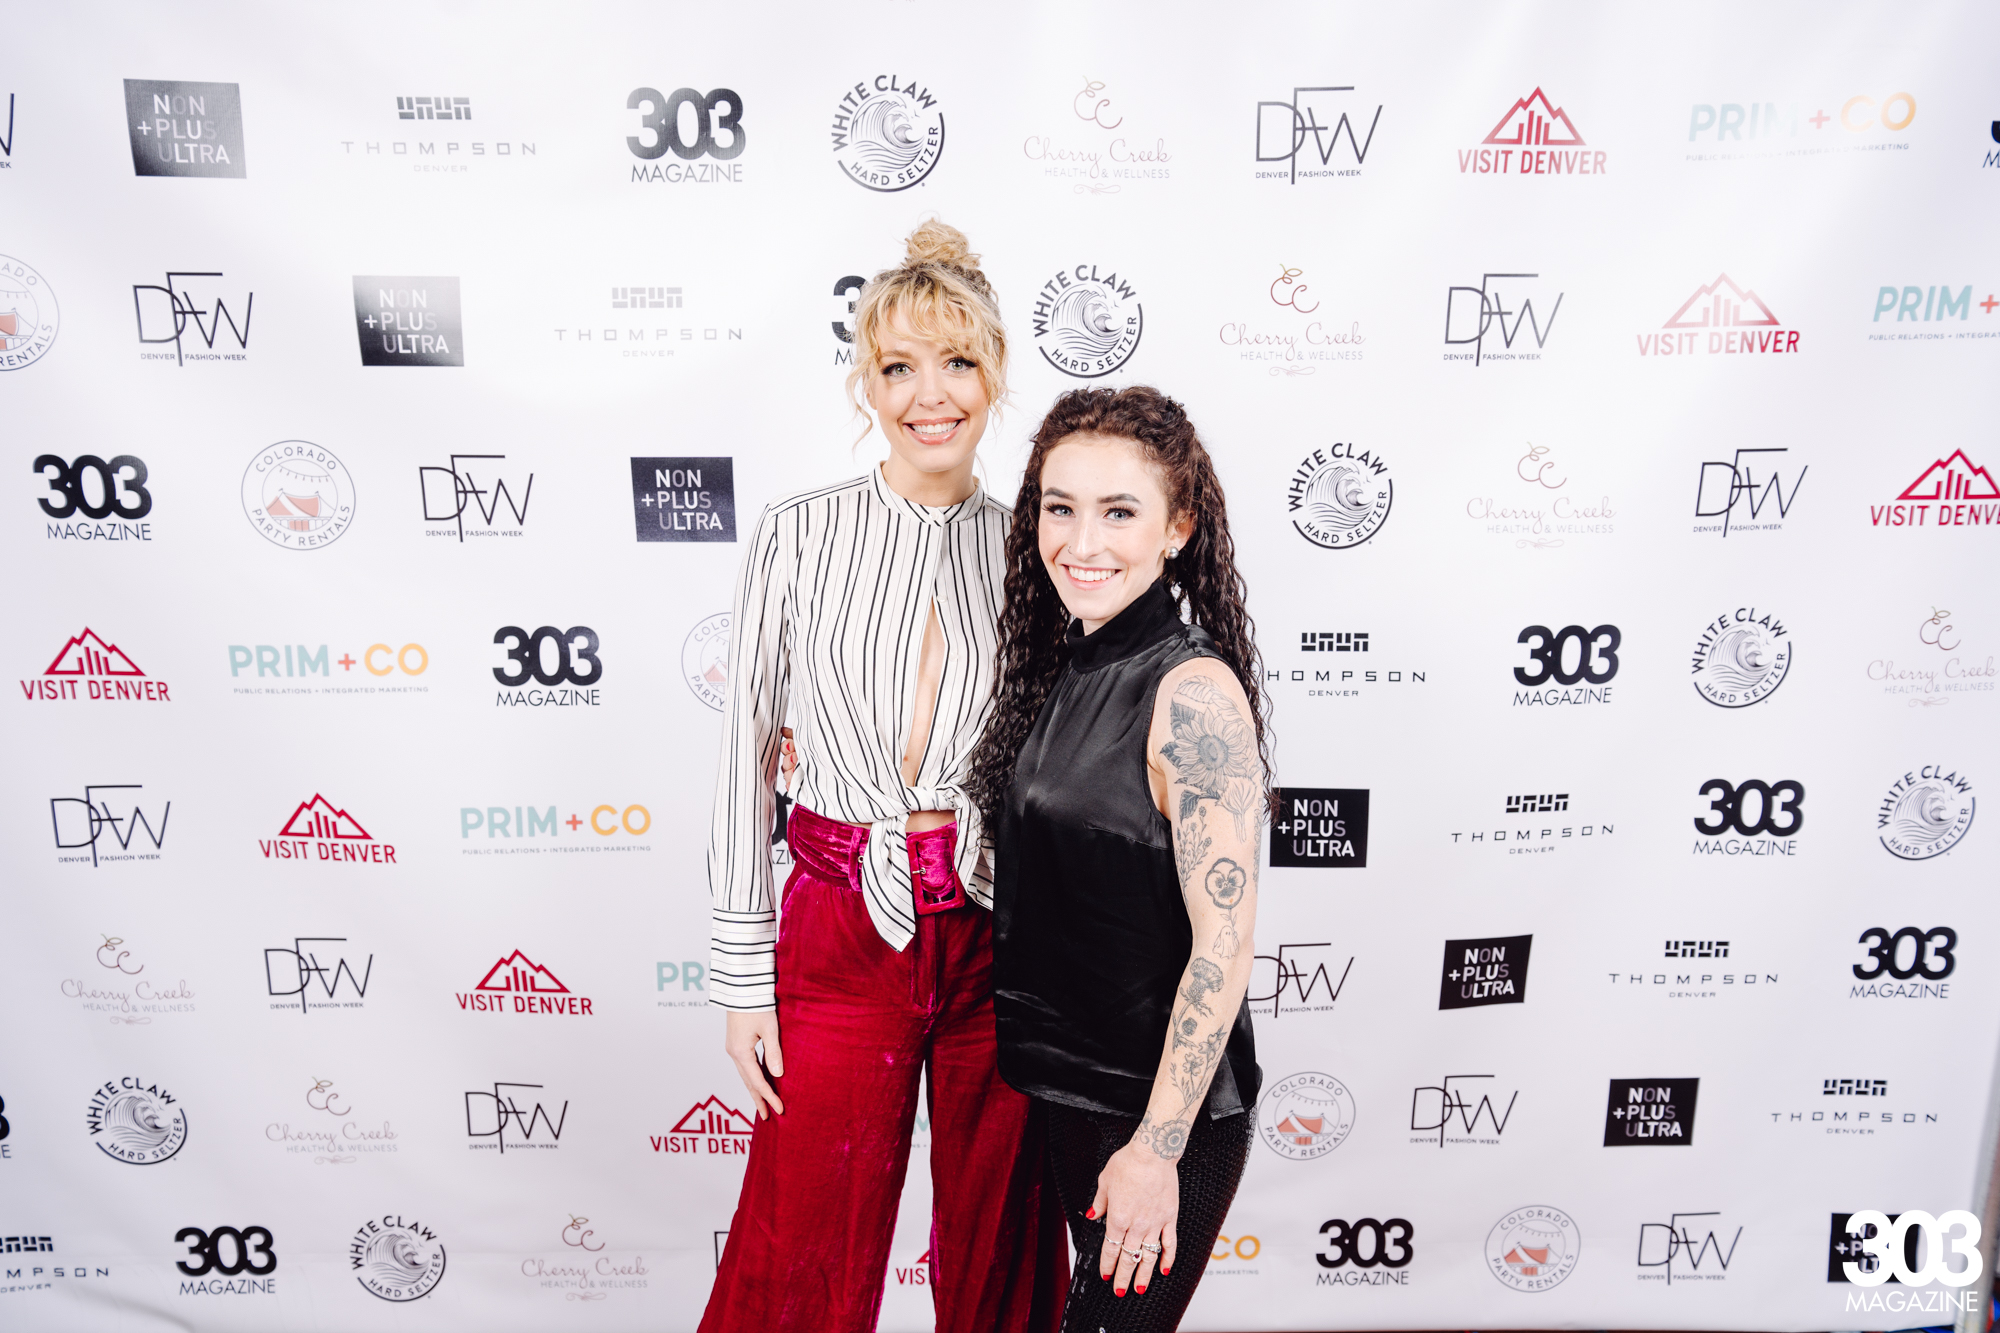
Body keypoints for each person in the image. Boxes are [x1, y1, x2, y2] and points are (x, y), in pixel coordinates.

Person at [700, 220, 1062, 1333]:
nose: (929, 396)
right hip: (838, 921)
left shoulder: (1035, 551)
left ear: (994, 375)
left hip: (996, 928)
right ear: (867, 381)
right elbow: (743, 754)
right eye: (899, 367)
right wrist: (741, 978)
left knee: (1004, 1234)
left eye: (957, 363)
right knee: (804, 1231)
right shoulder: (796, 534)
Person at [967, 385, 1271, 1332]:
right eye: (1060, 508)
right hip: (1069, 1093)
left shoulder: (1193, 693)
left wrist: (1156, 1148)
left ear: (1178, 527)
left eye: (1119, 512)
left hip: (1165, 1118)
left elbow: (1224, 944)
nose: (1082, 541)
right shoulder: (1064, 662)